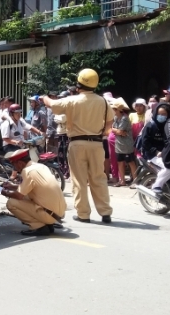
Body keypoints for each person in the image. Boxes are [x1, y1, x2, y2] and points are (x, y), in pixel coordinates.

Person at [42, 68, 114, 223]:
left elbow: (52, 105)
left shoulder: (72, 100)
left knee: (79, 180)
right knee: (99, 178)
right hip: (97, 143)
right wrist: (103, 133)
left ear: (79, 84)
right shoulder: (104, 102)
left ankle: (83, 214)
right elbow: (109, 122)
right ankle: (105, 212)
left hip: (77, 143)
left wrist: (44, 97)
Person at [0, 149, 66, 236]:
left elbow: (19, 195)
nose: (14, 168)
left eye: (14, 165)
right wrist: (12, 187)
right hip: (58, 213)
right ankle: (47, 223)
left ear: (20, 163)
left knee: (11, 203)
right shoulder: (41, 166)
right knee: (27, 197)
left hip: (49, 215)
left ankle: (39, 226)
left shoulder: (27, 171)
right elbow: (33, 187)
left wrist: (3, 192)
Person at [140, 103, 170, 194]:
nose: (161, 116)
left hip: (166, 153)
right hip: (152, 155)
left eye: (164, 114)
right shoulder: (150, 125)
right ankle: (157, 186)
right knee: (169, 168)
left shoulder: (169, 126)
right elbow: (145, 143)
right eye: (159, 114)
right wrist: (155, 152)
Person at [0, 104, 42, 180]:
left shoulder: (20, 121)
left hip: (20, 144)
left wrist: (40, 132)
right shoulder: (7, 124)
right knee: (18, 159)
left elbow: (29, 127)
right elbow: (5, 138)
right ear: (11, 114)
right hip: (9, 145)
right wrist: (15, 142)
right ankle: (13, 176)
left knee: (29, 156)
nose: (19, 115)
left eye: (20, 113)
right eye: (16, 113)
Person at [111, 99, 137, 188]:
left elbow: (120, 131)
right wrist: (117, 131)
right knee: (120, 162)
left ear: (118, 110)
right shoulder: (115, 118)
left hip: (127, 144)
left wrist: (117, 131)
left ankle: (135, 181)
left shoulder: (124, 118)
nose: (113, 110)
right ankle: (122, 181)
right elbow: (115, 130)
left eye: (114, 109)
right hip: (118, 144)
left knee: (130, 162)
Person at [54, 91, 70, 178]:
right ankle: (61, 171)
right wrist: (57, 117)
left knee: (66, 155)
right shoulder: (60, 109)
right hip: (60, 133)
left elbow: (62, 119)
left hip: (66, 134)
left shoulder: (68, 108)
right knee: (60, 154)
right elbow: (56, 118)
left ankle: (67, 172)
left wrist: (57, 118)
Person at [104, 93, 119, 183]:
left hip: (112, 136)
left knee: (111, 157)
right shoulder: (102, 110)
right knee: (105, 157)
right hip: (104, 137)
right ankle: (106, 175)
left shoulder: (115, 112)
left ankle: (114, 176)